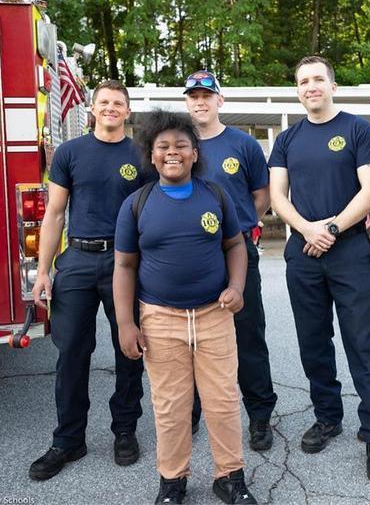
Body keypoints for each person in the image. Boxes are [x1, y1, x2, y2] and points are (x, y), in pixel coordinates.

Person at [113, 110, 257, 505]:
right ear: (151, 154)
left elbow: (235, 246)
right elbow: (124, 265)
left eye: (181, 146)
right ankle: (172, 481)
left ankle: (230, 476)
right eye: (163, 147)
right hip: (160, 320)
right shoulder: (136, 204)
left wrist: (237, 287)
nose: (172, 152)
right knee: (171, 405)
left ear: (195, 153)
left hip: (214, 316)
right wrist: (126, 323)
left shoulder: (216, 196)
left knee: (223, 400)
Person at [268, 56, 370, 483]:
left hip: (348, 250)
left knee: (361, 341)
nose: (311, 86)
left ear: (333, 85)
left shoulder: (357, 130)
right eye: (303, 81)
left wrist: (333, 228)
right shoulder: (287, 139)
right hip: (303, 251)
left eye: (318, 79)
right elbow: (277, 197)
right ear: (298, 90)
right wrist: (308, 230)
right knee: (313, 342)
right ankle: (327, 416)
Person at [29, 80, 150, 481]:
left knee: (129, 349)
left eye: (118, 103)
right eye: (104, 103)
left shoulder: (141, 154)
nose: (111, 108)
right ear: (92, 109)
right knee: (72, 354)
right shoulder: (69, 153)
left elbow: (153, 212)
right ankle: (68, 439)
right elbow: (55, 214)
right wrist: (43, 271)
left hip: (126, 262)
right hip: (78, 260)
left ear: (127, 111)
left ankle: (124, 430)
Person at [184, 70, 278, 451]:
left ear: (219, 101)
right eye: (193, 96)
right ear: (187, 103)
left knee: (248, 335)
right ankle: (188, 414)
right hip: (189, 254)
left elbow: (263, 194)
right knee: (189, 338)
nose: (200, 102)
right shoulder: (178, 145)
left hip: (237, 252)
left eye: (207, 95)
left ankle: (259, 416)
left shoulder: (244, 145)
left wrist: (238, 229)